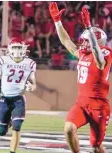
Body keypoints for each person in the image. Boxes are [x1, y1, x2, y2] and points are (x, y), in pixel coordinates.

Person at [49, 2, 111, 153]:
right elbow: (67, 42)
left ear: (95, 41)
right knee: (69, 129)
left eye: (86, 40)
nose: (82, 43)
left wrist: (90, 29)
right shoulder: (83, 53)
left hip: (98, 106)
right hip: (82, 103)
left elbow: (99, 62)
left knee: (96, 146)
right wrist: (57, 22)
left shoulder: (106, 52)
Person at [0, 38, 37, 153]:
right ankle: (8, 121)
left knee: (17, 127)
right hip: (5, 99)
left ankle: (12, 151)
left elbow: (34, 83)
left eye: (19, 47)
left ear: (24, 49)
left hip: (18, 99)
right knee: (1, 131)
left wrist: (32, 87)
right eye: (14, 47)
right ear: (10, 49)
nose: (16, 50)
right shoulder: (3, 60)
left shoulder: (29, 63)